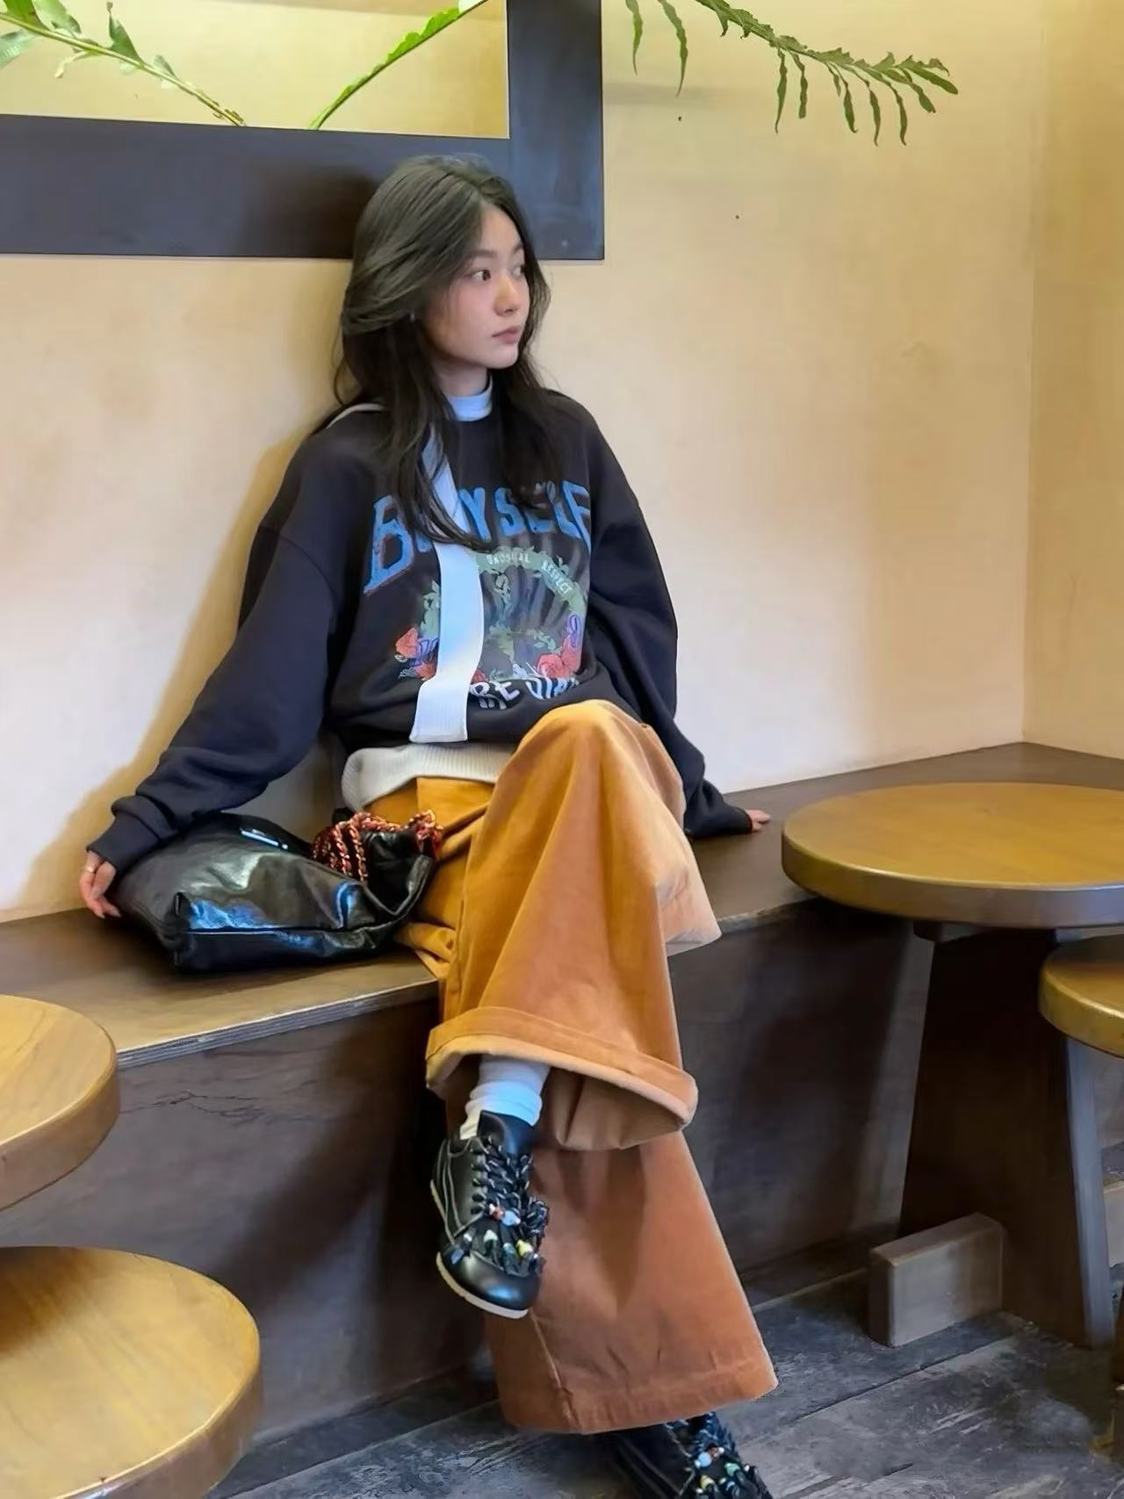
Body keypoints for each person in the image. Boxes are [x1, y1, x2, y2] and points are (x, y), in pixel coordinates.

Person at [80, 157, 778, 1498]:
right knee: (581, 1022)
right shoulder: (349, 464)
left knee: (587, 737)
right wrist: (151, 816)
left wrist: (683, 791)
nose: (511, 296)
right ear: (406, 290)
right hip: (435, 814)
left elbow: (637, 639)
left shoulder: (567, 440)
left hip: (587, 785)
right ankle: (658, 1398)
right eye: (476, 270)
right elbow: (273, 677)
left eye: (519, 268)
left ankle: (495, 1135)